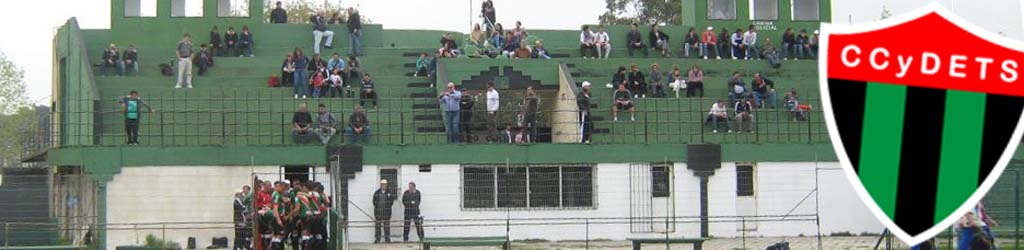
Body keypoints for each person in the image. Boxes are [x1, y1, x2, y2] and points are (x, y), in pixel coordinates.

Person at [372, 179, 396, 243]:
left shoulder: (389, 192)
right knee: (378, 227)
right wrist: (378, 206)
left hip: (387, 213)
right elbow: (374, 201)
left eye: (384, 184)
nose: (383, 186)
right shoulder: (377, 192)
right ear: (380, 185)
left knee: (387, 226)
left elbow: (391, 201)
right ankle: (377, 239)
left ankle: (387, 239)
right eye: (382, 184)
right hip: (378, 212)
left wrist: (387, 206)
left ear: (386, 185)